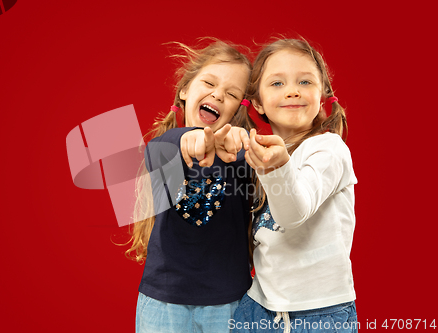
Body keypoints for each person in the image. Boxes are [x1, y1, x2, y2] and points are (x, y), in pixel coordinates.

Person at [127, 39, 256, 333]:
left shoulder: (241, 153)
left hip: (229, 303)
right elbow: (164, 148)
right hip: (163, 302)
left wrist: (238, 142)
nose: (218, 95)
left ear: (239, 107)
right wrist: (189, 138)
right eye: (209, 82)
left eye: (231, 93)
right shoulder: (165, 146)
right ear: (185, 89)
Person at [232, 38, 358, 333]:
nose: (292, 90)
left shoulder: (329, 149)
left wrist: (274, 167)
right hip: (258, 305)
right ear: (258, 102)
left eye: (305, 81)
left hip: (319, 313)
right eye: (277, 83)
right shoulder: (257, 154)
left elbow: (294, 213)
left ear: (322, 94)